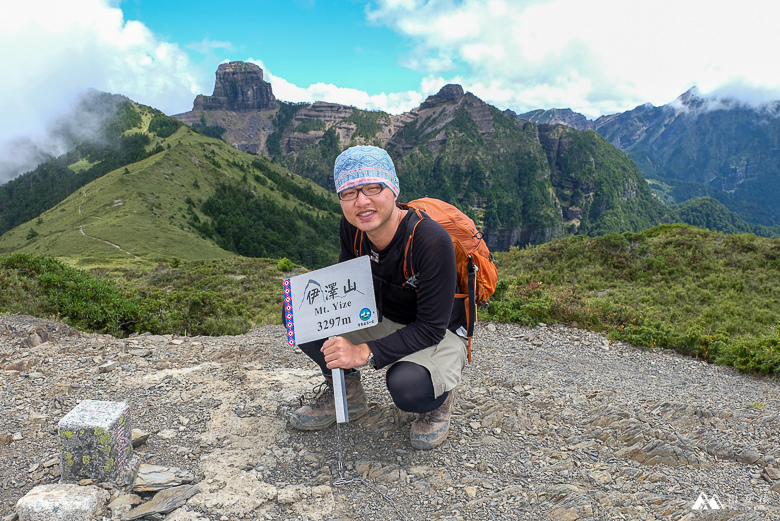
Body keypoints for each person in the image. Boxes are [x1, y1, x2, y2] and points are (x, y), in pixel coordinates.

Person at [290, 145, 469, 450]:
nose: (362, 201)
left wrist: (364, 351)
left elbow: (431, 327)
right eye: (349, 192)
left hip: (437, 330)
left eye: (373, 188)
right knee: (299, 311)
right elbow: (349, 284)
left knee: (407, 388)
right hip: (382, 313)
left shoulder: (430, 239)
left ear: (393, 190)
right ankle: (346, 392)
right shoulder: (353, 228)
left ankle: (439, 398)